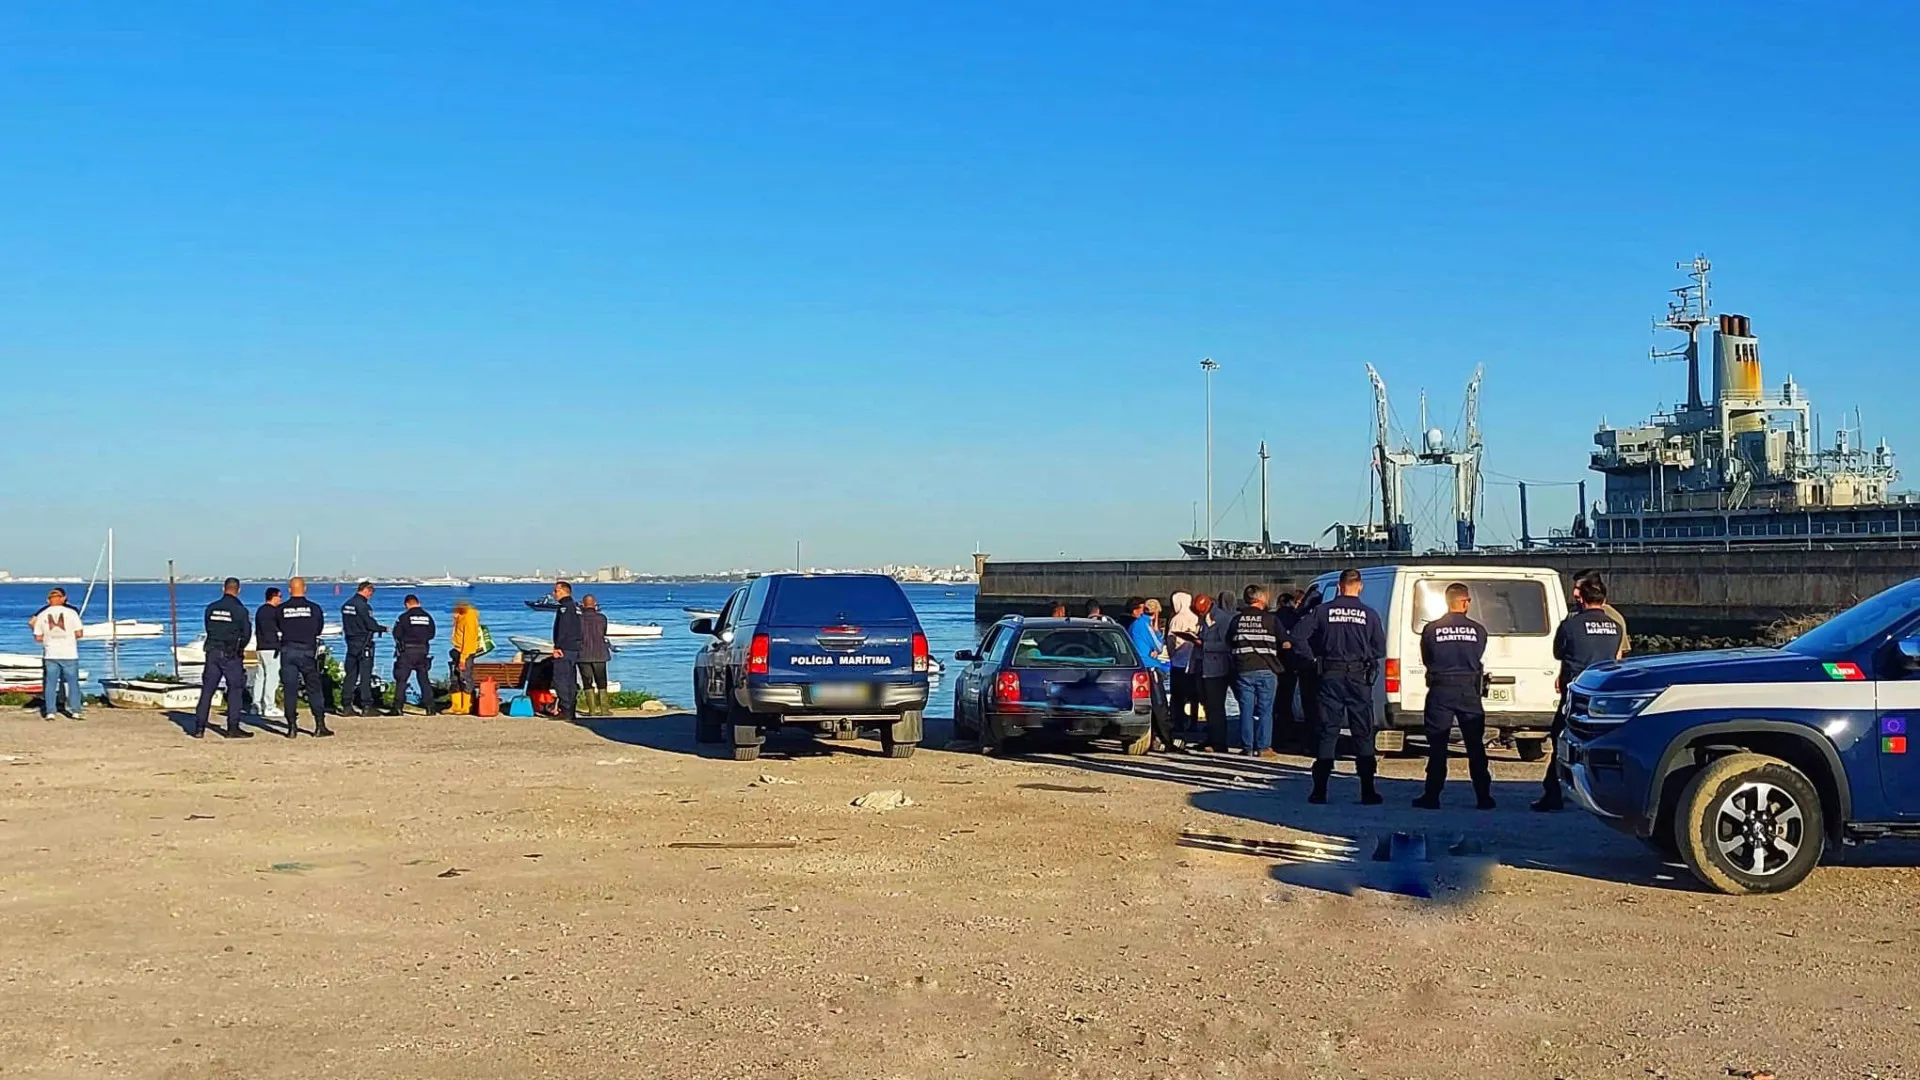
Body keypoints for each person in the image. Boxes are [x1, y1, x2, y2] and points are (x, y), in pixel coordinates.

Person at [1290, 569, 1388, 804]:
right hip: (1358, 678)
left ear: (1339, 586)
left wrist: (1313, 658)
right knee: (1362, 733)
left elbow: (1296, 636)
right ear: (1360, 587)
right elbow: (1379, 649)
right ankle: (1367, 791)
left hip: (1330, 676)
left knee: (1328, 732)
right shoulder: (1370, 614)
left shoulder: (1323, 611)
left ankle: (1320, 791)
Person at [1534, 574, 1624, 812]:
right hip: (1603, 694)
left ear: (1582, 599)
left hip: (1576, 694)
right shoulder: (1615, 626)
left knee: (1561, 740)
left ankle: (1553, 793)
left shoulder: (1571, 625)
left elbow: (1558, 653)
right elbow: (1617, 658)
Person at [1413, 583, 1495, 810]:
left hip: (1441, 689)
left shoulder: (1431, 629)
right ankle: (1483, 797)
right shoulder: (1478, 630)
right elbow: (1478, 654)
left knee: (1437, 745)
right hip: (1469, 690)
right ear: (1465, 602)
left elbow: (1427, 659)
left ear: (1447, 601)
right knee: (1475, 746)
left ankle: (1431, 796)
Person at [192, 578, 253, 740]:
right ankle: (232, 727)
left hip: (212, 652)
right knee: (235, 689)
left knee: (207, 690)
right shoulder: (240, 610)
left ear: (223, 588)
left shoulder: (211, 608)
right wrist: (240, 649)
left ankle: (199, 727)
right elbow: (246, 634)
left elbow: (208, 628)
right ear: (238, 590)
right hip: (230, 654)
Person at [1229, 585, 1285, 758]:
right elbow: (1284, 641)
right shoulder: (1271, 619)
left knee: (1245, 708)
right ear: (1260, 599)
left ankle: (1247, 746)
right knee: (1265, 709)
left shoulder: (1237, 620)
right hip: (1267, 668)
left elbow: (1229, 641)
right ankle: (1263, 747)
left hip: (1244, 669)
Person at [277, 577, 333, 738]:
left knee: (290, 690)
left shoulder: (281, 609)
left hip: (288, 650)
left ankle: (292, 727)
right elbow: (318, 629)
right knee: (314, 688)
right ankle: (319, 725)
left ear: (289, 589)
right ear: (305, 589)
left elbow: (278, 626)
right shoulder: (314, 608)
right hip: (307, 650)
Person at [1125, 597, 1176, 751]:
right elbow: (1159, 645)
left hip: (1142, 666)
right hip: (1150, 667)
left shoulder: (1135, 625)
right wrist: (1156, 632)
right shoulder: (1144, 624)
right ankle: (1167, 740)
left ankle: (1152, 737)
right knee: (1159, 704)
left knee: (1148, 705)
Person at [28, 588, 85, 720]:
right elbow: (79, 633)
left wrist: (49, 638)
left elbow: (37, 636)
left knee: (50, 684)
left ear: (48, 600)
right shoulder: (72, 612)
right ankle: (75, 710)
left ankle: (50, 712)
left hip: (51, 653)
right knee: (72, 683)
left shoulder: (43, 614)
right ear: (63, 599)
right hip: (69, 652)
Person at [340, 582, 387, 717]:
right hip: (363, 643)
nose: (370, 596)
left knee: (350, 675)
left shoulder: (346, 605)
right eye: (370, 593)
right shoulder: (363, 606)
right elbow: (370, 624)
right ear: (366, 590)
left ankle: (346, 705)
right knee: (365, 675)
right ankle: (366, 705)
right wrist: (382, 628)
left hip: (350, 642)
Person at [1195, 592, 1234, 752]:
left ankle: (1219, 742)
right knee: (1208, 705)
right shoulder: (1205, 618)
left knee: (1216, 706)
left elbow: (1226, 645)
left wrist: (1204, 645)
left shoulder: (1222, 619)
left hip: (1218, 669)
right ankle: (1211, 738)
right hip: (1205, 667)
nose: (1200, 614)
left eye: (1201, 610)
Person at [388, 594, 438, 716]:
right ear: (418, 602)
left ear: (407, 604)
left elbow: (397, 633)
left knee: (402, 680)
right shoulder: (428, 617)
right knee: (424, 680)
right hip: (423, 651)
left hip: (407, 652)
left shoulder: (404, 617)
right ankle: (430, 707)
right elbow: (432, 634)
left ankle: (398, 707)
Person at [1165, 592, 1202, 735]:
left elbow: (1170, 640)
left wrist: (1171, 654)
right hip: (1193, 662)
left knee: (1177, 696)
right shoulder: (1195, 618)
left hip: (1178, 663)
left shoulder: (1176, 619)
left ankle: (1178, 722)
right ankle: (1194, 722)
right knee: (1194, 696)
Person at [1272, 591, 1304, 744]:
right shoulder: (1297, 618)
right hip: (1292, 663)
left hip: (1275, 663)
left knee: (1276, 701)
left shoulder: (1273, 617)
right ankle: (1289, 730)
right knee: (1289, 698)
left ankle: (1277, 732)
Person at [549, 580, 582, 721]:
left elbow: (563, 629)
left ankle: (566, 709)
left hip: (565, 648)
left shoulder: (564, 607)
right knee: (571, 679)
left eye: (556, 591)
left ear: (563, 591)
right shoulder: (576, 607)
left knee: (561, 679)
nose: (553, 594)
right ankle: (571, 709)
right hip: (575, 647)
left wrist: (558, 647)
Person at [576, 595, 613, 717]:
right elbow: (604, 632)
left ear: (583, 604)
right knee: (602, 682)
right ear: (595, 604)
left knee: (587, 682)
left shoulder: (578, 619)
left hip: (583, 654)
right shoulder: (602, 618)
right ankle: (604, 709)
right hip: (599, 654)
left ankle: (592, 710)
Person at [252, 587, 285, 721]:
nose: (281, 599)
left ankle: (256, 704)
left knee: (260, 676)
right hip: (272, 647)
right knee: (272, 677)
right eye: (280, 596)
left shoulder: (260, 610)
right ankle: (269, 705)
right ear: (274, 597)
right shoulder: (274, 612)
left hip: (261, 647)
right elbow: (276, 629)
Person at [448, 600, 483, 715]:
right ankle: (456, 705)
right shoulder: (461, 618)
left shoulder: (469, 618)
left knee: (464, 678)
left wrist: (463, 658)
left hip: (465, 652)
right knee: (455, 678)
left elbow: (468, 640)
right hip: (458, 650)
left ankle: (466, 706)